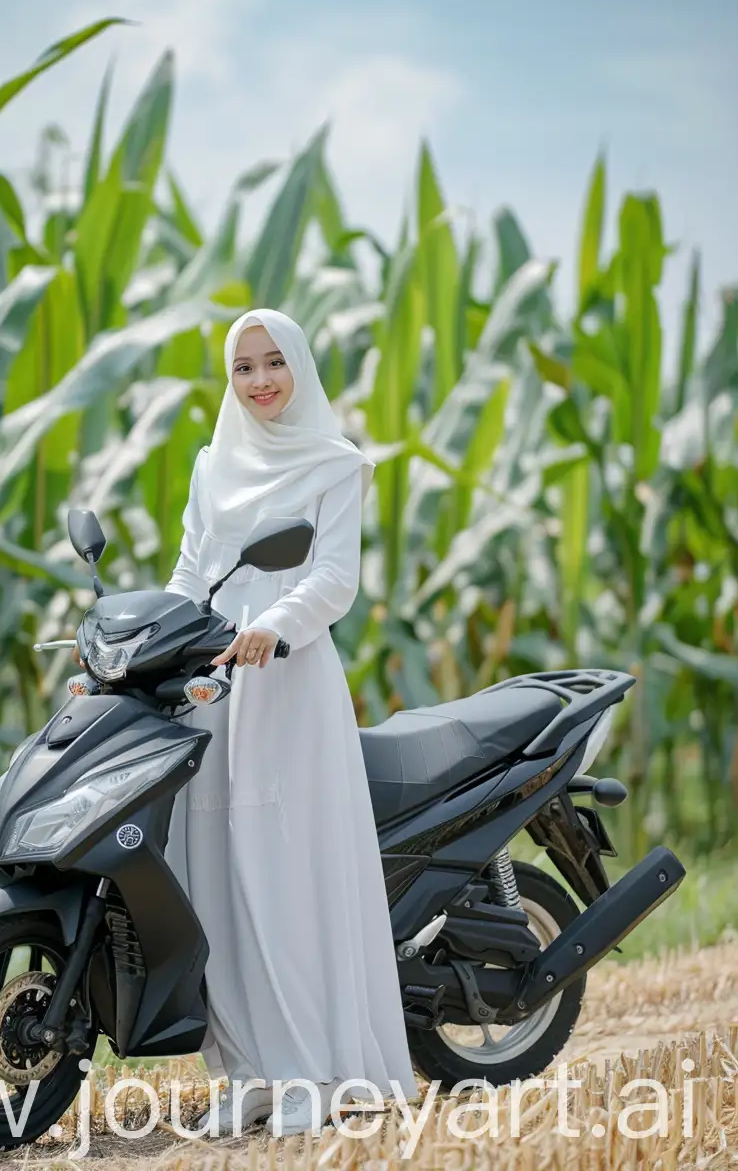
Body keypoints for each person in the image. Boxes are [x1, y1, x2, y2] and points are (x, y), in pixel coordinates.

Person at [162, 308, 414, 1140]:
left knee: (286, 876)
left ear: (299, 366)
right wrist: (140, 643)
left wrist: (279, 622)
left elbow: (336, 577)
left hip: (287, 686)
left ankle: (312, 1068)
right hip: (211, 692)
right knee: (217, 877)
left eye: (275, 363)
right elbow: (192, 568)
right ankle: (248, 1072)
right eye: (244, 367)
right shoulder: (211, 465)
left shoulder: (335, 465)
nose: (261, 380)